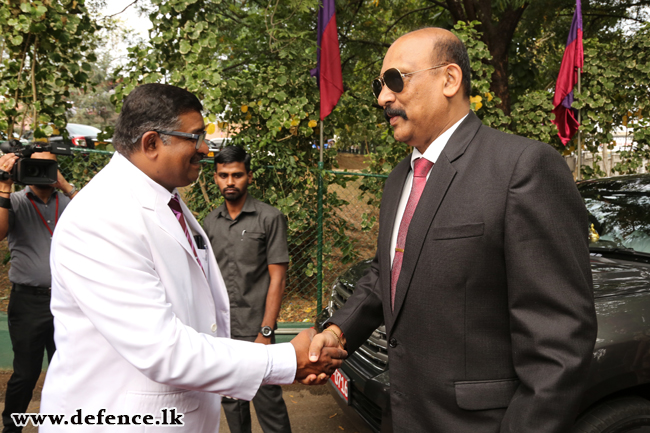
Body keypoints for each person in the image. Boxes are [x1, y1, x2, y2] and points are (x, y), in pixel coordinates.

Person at [309, 28, 597, 433]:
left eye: (396, 80)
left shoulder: (522, 168)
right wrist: (339, 330)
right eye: (379, 85)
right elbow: (388, 271)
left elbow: (560, 344)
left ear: (449, 79)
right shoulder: (399, 179)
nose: (383, 98)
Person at [38, 83, 345, 432]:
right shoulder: (100, 216)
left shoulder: (167, 200)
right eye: (195, 137)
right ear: (151, 143)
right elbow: (163, 349)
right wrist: (287, 359)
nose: (204, 149)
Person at [203, 145, 292, 433]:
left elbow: (277, 279)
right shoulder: (208, 224)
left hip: (257, 331)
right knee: (231, 403)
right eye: (224, 175)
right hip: (223, 332)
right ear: (215, 178)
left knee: (269, 405)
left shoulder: (270, 218)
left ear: (249, 177)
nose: (230, 182)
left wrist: (266, 332)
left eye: (237, 175)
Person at [0, 151, 77, 433]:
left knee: (71, 369)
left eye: (48, 165)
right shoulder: (15, 201)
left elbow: (102, 215)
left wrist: (65, 185)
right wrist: (5, 186)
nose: (41, 170)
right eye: (36, 165)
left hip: (68, 301)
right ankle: (11, 429)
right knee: (25, 373)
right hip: (29, 302)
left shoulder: (70, 202)